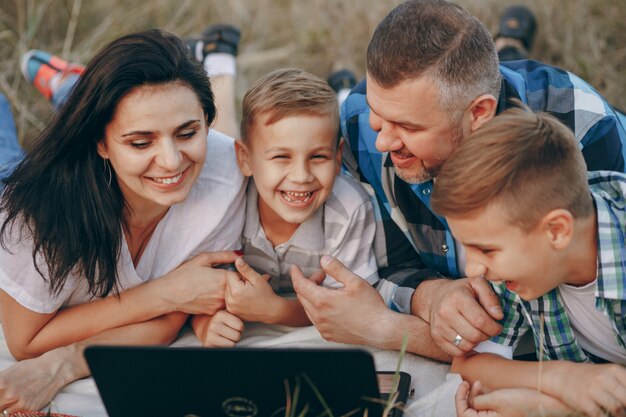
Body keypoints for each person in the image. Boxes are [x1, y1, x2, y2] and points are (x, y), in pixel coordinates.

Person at [291, 0, 626, 360]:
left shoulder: (582, 128)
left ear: (479, 112)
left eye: (408, 126)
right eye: (378, 111)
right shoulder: (358, 124)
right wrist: (428, 295)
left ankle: (507, 48)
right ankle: (506, 47)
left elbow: (566, 322)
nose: (383, 142)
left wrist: (388, 328)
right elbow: (385, 260)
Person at [0, 29, 247, 413]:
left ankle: (71, 85)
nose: (171, 160)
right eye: (140, 142)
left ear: (206, 123)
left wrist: (67, 362)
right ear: (101, 143)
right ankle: (64, 88)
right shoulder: (34, 216)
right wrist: (166, 291)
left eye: (188, 132)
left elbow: (168, 321)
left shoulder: (226, 179)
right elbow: (26, 342)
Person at [431, 107, 626, 417]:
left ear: (557, 230)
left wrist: (542, 407)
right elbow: (469, 365)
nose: (473, 270)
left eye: (487, 250)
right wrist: (559, 379)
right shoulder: (521, 264)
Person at [192, 68, 383, 345]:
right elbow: (197, 287)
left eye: (318, 156)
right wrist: (204, 324)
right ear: (245, 159)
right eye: (282, 156)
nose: (301, 176)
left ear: (338, 157)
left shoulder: (349, 210)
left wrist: (275, 311)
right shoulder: (225, 202)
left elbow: (348, 309)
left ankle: (342, 90)